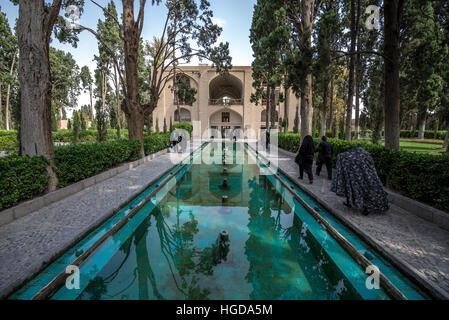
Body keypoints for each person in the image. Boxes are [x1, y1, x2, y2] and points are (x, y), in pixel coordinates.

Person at [331, 147, 389, 215]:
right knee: (360, 190)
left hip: (360, 178)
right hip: (362, 178)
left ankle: (366, 207)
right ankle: (352, 203)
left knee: (362, 191)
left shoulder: (350, 157)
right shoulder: (364, 157)